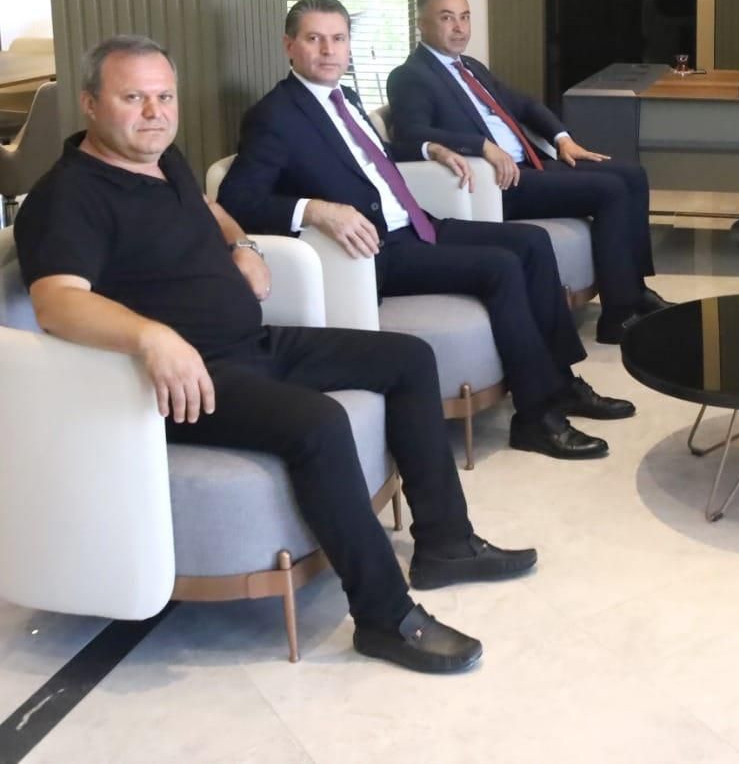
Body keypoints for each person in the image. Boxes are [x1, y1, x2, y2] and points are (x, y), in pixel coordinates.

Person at [13, 36, 537, 674]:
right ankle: (385, 619)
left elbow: (210, 208)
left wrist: (243, 247)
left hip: (251, 343)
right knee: (318, 422)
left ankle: (447, 544)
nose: (154, 112)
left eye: (164, 96)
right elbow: (58, 302)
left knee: (407, 359)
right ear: (91, 103)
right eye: (133, 98)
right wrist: (152, 337)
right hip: (186, 380)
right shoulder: (66, 197)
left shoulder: (162, 159)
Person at [217, 0, 634, 462]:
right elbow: (238, 199)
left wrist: (430, 148)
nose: (329, 50)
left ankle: (562, 385)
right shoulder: (275, 115)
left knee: (533, 243)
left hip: (417, 224)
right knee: (500, 266)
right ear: (289, 46)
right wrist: (314, 210)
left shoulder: (344, 97)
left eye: (338, 38)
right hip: (377, 250)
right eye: (314, 39)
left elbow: (371, 158)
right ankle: (536, 418)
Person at [386, 0, 667, 344]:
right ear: (421, 24)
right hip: (499, 182)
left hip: (532, 163)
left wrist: (562, 139)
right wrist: (481, 146)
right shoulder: (410, 76)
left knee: (632, 175)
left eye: (465, 17)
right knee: (609, 190)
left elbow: (525, 104)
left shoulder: (470, 66)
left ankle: (635, 289)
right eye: (447, 18)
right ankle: (618, 315)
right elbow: (412, 133)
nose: (459, 28)